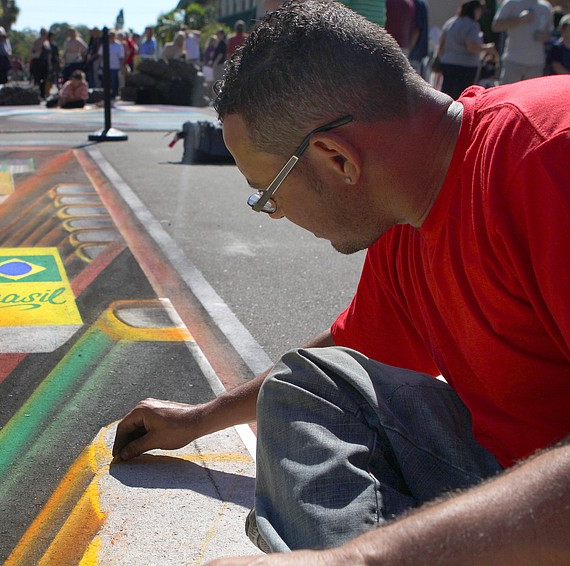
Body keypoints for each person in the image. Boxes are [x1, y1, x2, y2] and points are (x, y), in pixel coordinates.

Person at [113, 1, 570, 563]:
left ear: (336, 158)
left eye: (268, 194)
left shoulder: (548, 157)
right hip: (517, 471)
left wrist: (353, 558)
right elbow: (349, 347)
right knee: (303, 382)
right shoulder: (411, 208)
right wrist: (198, 418)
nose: (274, 213)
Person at [438, 0, 498, 98]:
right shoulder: (472, 25)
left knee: (446, 95)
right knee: (462, 97)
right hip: (466, 66)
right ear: (476, 10)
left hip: (448, 63)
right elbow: (471, 47)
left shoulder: (450, 22)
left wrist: (444, 59)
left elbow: (441, 46)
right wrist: (487, 48)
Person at [491, 0, 553, 83]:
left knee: (532, 95)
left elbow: (550, 32)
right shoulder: (511, 3)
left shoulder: (546, 7)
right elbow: (496, 26)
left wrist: (544, 36)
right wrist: (519, 20)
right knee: (509, 94)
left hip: (536, 63)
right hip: (513, 61)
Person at [30, 28, 51, 99]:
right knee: (37, 79)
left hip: (45, 62)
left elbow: (49, 54)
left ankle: (43, 94)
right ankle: (36, 94)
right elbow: (33, 51)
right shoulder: (37, 41)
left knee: (44, 79)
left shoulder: (47, 42)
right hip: (37, 61)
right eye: (43, 33)